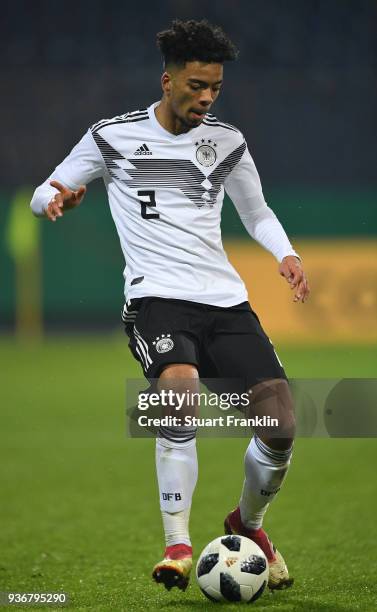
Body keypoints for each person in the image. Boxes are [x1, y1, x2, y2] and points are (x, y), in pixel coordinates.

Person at [30, 19, 309, 595]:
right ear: (167, 80)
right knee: (177, 393)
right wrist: (56, 198)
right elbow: (44, 190)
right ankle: (178, 544)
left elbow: (256, 212)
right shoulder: (112, 136)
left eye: (215, 88)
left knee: (280, 423)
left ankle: (247, 525)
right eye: (196, 86)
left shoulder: (227, 142)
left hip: (225, 302)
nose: (206, 97)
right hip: (156, 300)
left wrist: (285, 254)